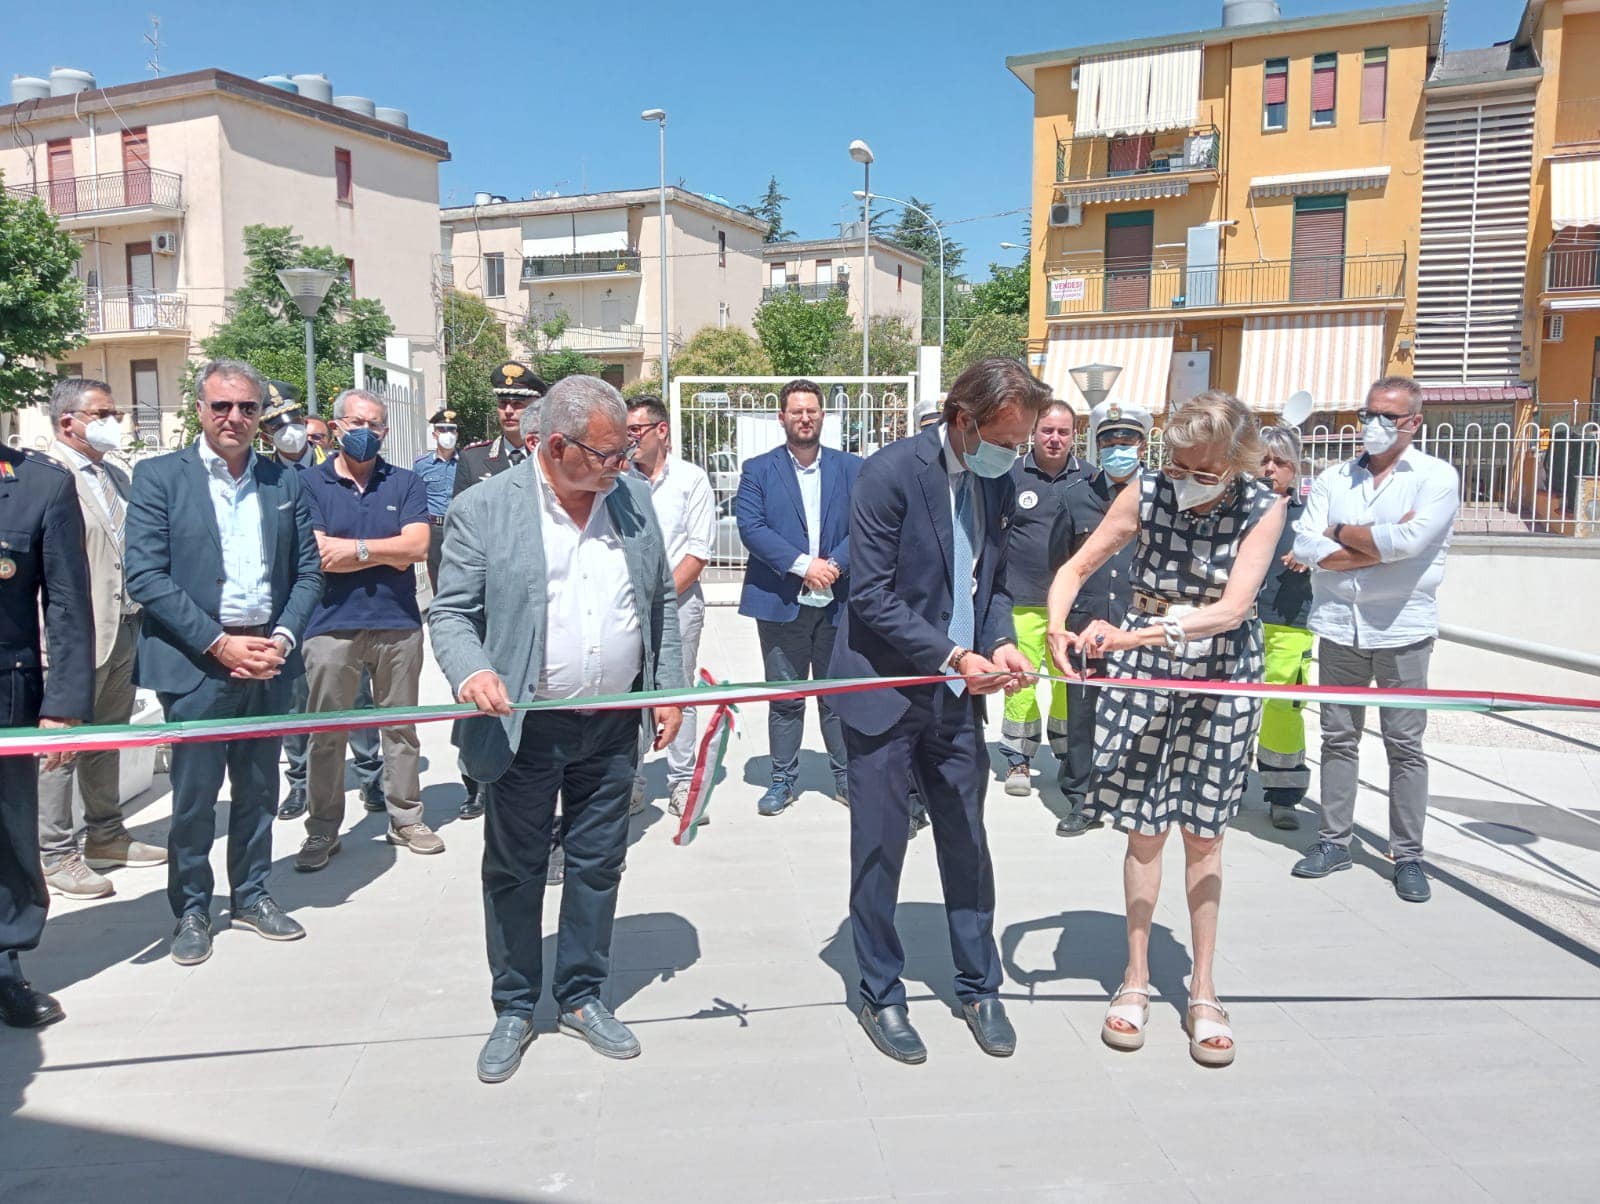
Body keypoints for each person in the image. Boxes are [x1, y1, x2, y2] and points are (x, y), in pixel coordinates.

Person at [429, 375, 686, 1084]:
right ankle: (514, 1004)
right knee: (514, 869)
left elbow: (659, 596)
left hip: (609, 727)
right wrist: (471, 672)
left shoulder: (628, 499)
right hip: (524, 727)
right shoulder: (484, 508)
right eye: (605, 455)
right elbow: (450, 614)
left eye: (624, 451)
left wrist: (668, 690)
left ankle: (580, 994)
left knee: (599, 864)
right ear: (553, 446)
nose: (620, 467)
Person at [1045, 390, 1285, 1067]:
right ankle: (1135, 977)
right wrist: (1059, 630)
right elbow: (1074, 568)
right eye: (1176, 464)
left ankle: (1203, 989)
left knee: (1205, 834)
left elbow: (1233, 609)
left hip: (1217, 668)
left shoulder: (1262, 508)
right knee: (1144, 830)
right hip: (1144, 664)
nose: (1183, 481)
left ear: (1235, 464)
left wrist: (1133, 637)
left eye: (1201, 470)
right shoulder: (1147, 492)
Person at [828, 357, 1042, 1065]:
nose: (1016, 455)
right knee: (881, 846)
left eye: (1022, 443)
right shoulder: (889, 474)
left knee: (967, 842)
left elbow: (994, 584)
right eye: (1007, 441)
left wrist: (1002, 641)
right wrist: (954, 656)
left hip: (957, 698)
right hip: (883, 692)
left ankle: (980, 985)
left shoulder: (1000, 482)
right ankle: (881, 993)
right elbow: (873, 597)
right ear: (962, 420)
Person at [125, 359, 322, 965]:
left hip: (269, 655)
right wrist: (219, 643)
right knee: (194, 796)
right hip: (199, 663)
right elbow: (145, 576)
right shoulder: (159, 477)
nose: (234, 418)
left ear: (261, 415)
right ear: (200, 409)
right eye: (222, 406)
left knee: (260, 789)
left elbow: (309, 571)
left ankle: (254, 894)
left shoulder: (283, 481)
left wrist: (282, 640)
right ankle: (190, 908)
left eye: (247, 408)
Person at [1289, 376, 1460, 903]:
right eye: (1369, 414)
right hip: (1340, 625)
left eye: (1388, 416)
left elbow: (1411, 543)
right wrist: (1371, 545)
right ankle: (1334, 840)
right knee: (1338, 738)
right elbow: (1304, 542)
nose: (1374, 425)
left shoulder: (1435, 477)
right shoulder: (1334, 477)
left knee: (1405, 745)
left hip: (1402, 629)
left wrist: (1339, 534)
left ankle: (1407, 855)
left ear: (1414, 422)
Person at [294, 388, 440, 872]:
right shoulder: (309, 484)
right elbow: (317, 554)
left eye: (375, 425)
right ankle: (322, 829)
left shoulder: (405, 482)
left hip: (397, 623)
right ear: (336, 428)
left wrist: (354, 551)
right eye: (357, 423)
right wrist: (383, 549)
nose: (366, 433)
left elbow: (418, 546)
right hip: (329, 625)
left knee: (400, 727)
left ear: (386, 432)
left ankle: (406, 818)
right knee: (327, 732)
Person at [37, 379, 166, 900]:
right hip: (72, 636)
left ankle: (106, 834)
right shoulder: (44, 476)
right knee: (61, 744)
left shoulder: (116, 475)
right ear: (69, 422)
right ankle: (54, 851)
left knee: (107, 737)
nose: (116, 421)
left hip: (123, 627)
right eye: (104, 413)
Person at [734, 378, 863, 816]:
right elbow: (752, 528)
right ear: (781, 417)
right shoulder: (758, 469)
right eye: (796, 411)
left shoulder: (852, 468)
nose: (804, 417)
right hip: (780, 602)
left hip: (838, 600)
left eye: (811, 410)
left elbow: (865, 524)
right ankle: (782, 780)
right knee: (785, 698)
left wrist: (833, 566)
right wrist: (803, 566)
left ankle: (845, 779)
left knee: (836, 696)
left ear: (823, 416)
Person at [0, 443, 93, 1028]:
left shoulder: (38, 484)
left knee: (7, 836)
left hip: (5, 693)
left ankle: (5, 963)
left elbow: (65, 604)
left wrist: (63, 704)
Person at [263, 382, 383, 823]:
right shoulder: (261, 475)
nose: (287, 430)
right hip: (288, 603)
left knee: (359, 695)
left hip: (337, 599)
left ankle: (371, 777)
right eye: (275, 424)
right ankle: (298, 782)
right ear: (264, 432)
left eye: (293, 420)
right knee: (294, 696)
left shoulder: (329, 470)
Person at [1045, 400, 1149, 836]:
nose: (1117, 449)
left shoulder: (1156, 499)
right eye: (1109, 442)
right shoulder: (1076, 497)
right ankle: (1081, 798)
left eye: (1126, 441)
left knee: (1136, 713)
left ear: (1142, 446)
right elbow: (1062, 560)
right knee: (1083, 712)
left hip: (1136, 625)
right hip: (1086, 623)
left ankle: (1128, 795)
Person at [627, 395, 716, 817]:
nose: (629, 440)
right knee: (630, 693)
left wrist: (656, 601)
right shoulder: (618, 480)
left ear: (661, 431)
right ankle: (631, 781)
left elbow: (696, 555)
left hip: (679, 606)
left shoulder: (691, 480)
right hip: (625, 610)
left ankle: (683, 782)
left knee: (678, 691)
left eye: (635, 431)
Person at [997, 400, 1089, 798]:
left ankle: (1069, 754)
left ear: (1074, 435)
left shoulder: (1090, 479)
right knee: (1022, 681)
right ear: (1034, 432)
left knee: (1069, 681)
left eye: (1063, 432)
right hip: (1022, 599)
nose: (1054, 438)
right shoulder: (1009, 476)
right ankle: (1019, 757)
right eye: (1047, 430)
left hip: (1073, 606)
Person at [1255, 424, 1314, 831]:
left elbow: (1338, 552)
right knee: (1231, 704)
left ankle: (1283, 794)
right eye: (1264, 460)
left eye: (1280, 462)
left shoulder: (1310, 516)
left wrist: (1313, 554)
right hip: (1239, 622)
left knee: (1283, 709)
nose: (1270, 469)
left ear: (1295, 469)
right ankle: (1224, 783)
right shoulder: (1237, 509)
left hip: (1291, 622)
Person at [453, 361, 548, 497]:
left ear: (535, 408)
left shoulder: (549, 457)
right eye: (503, 404)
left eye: (517, 404)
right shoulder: (472, 459)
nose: (508, 411)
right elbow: (460, 514)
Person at [413, 405, 460, 593]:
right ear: (435, 434)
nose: (447, 434)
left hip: (459, 526)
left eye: (451, 430)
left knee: (462, 572)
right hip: (434, 528)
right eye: (443, 429)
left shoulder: (466, 462)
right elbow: (416, 498)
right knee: (436, 573)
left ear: (457, 434)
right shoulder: (422, 466)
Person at [261, 380, 325, 469]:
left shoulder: (334, 465)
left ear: (305, 424)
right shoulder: (262, 475)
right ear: (266, 438)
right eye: (278, 426)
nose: (290, 429)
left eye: (295, 421)